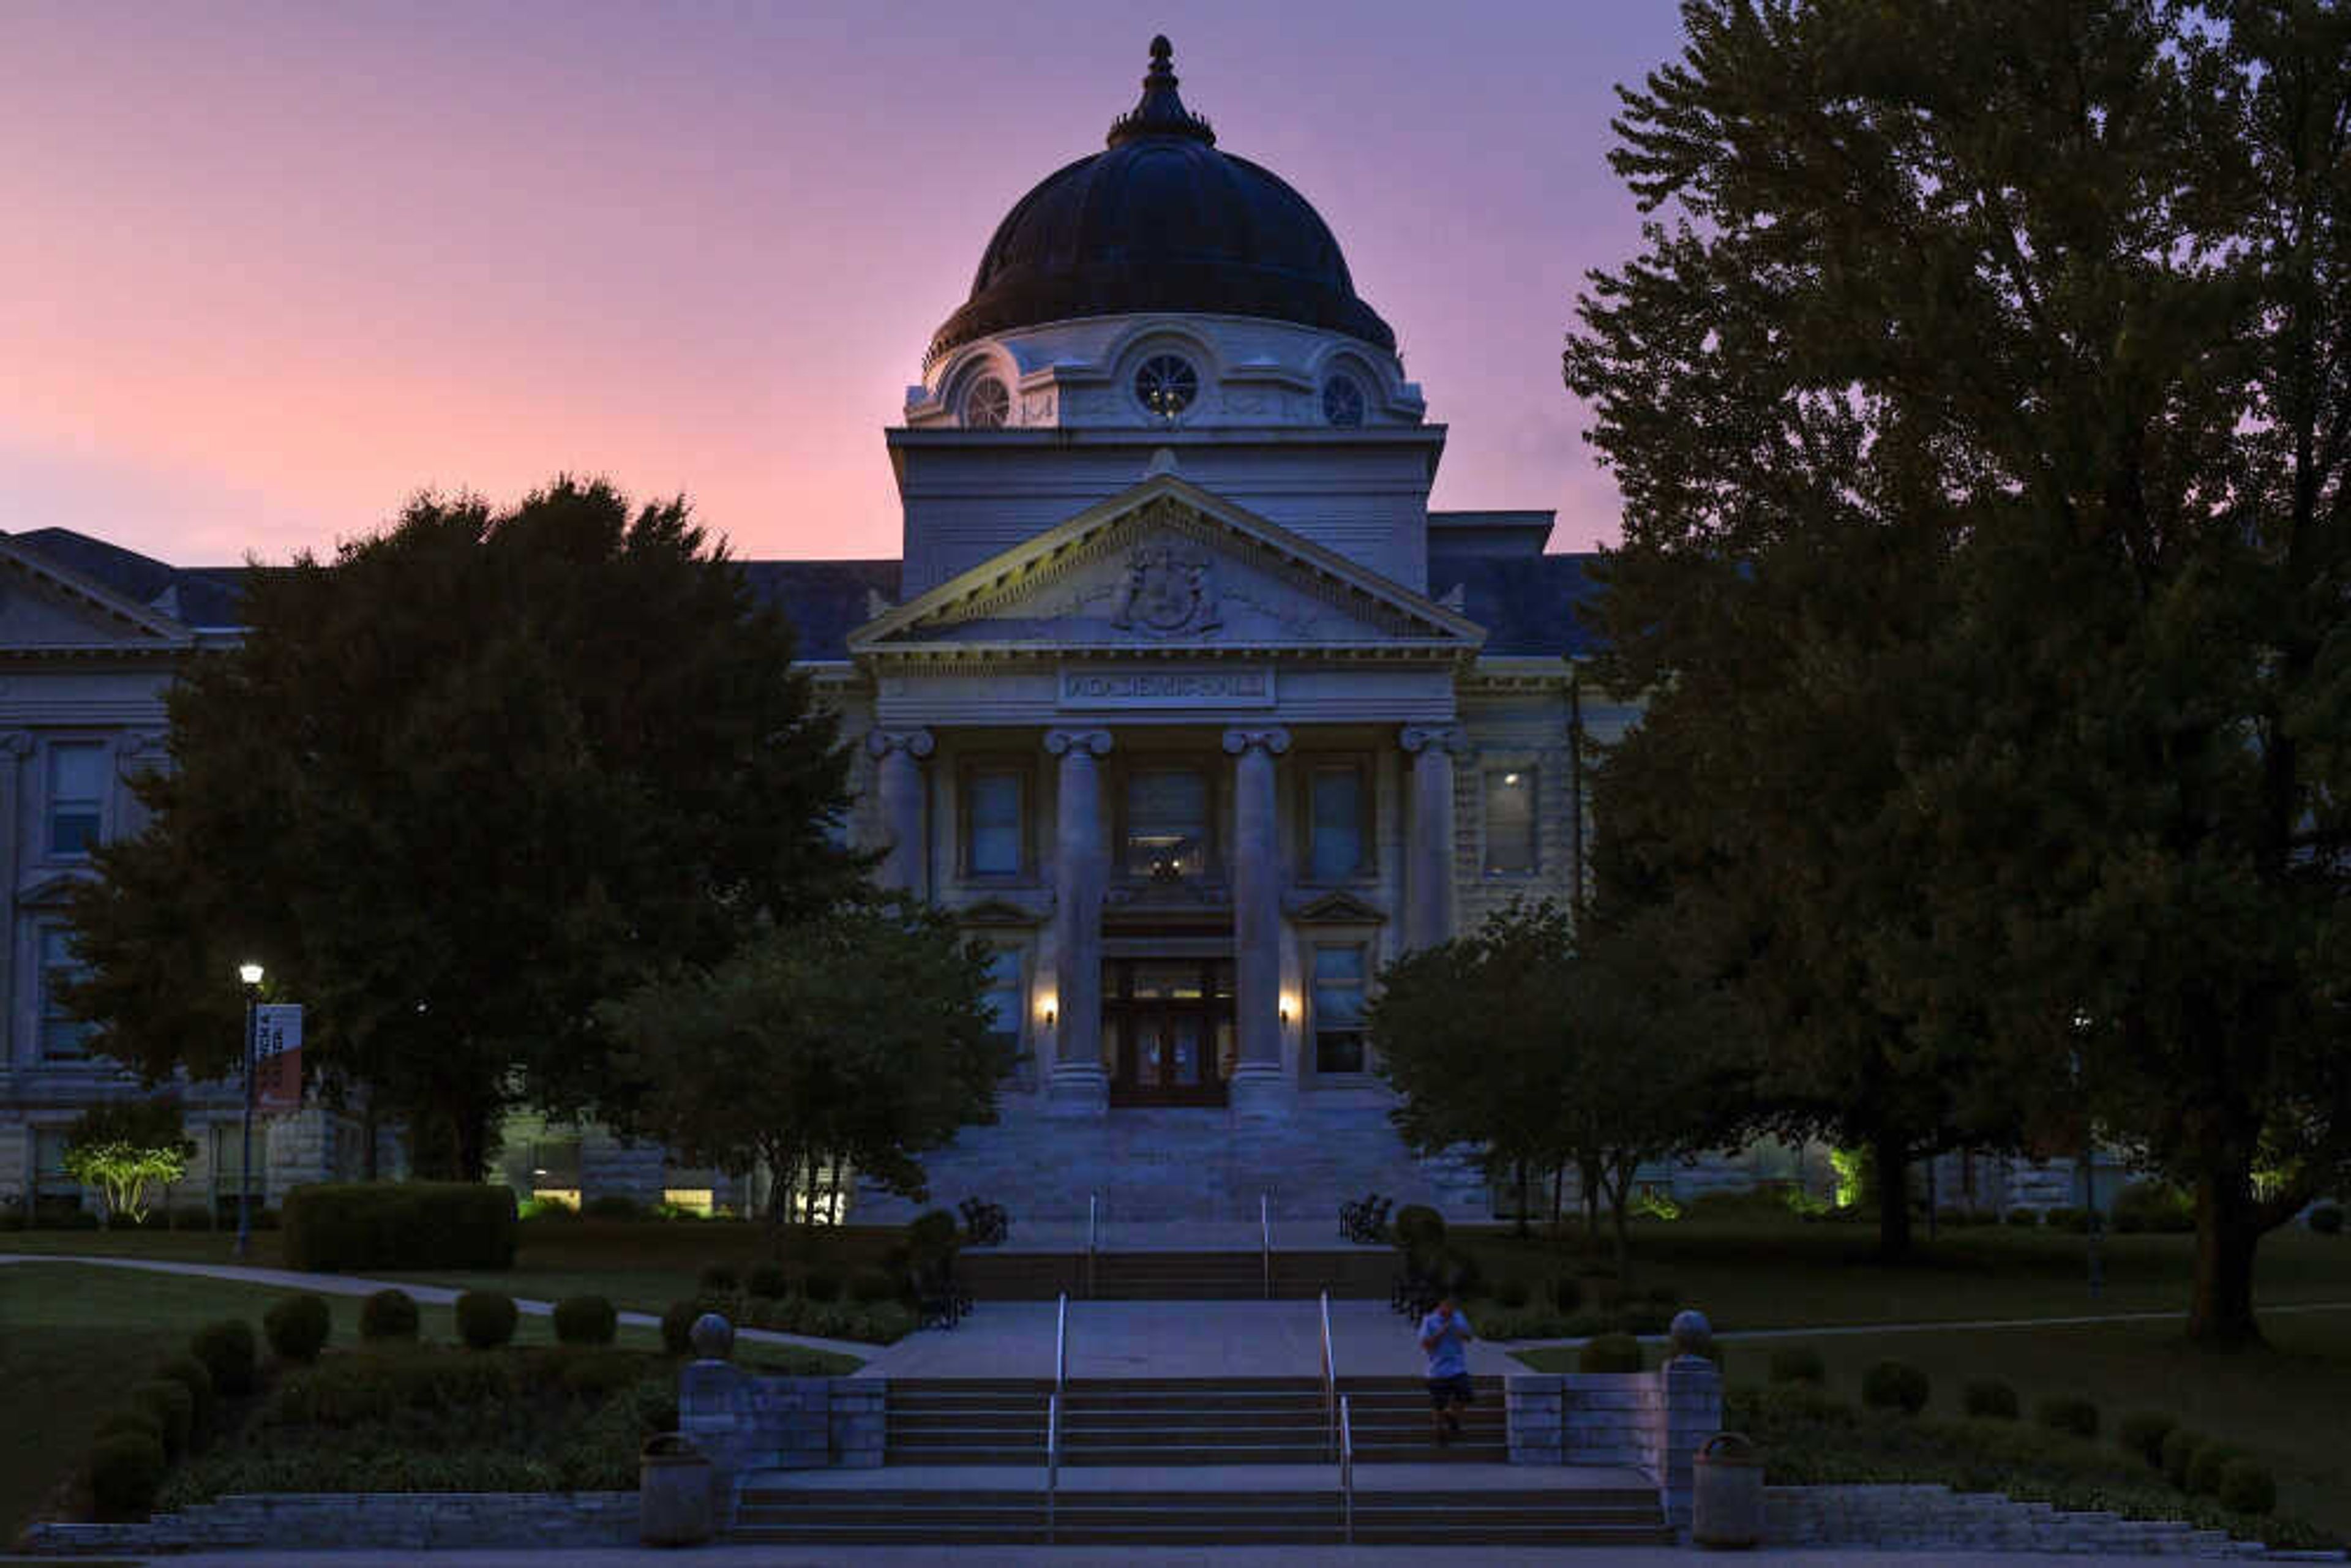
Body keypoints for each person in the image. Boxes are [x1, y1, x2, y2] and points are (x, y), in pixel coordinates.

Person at [1417, 1293, 1475, 1444]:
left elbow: (1469, 1337)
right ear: (1440, 1305)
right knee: (1438, 1404)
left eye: (1453, 1306)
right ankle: (1440, 1433)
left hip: (1457, 1367)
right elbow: (1426, 1345)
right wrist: (1443, 1330)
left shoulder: (1459, 1317)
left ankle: (1452, 1415)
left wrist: (1458, 1329)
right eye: (1447, 1306)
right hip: (1437, 1370)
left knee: (1466, 1394)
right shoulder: (1429, 1320)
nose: (1451, 1309)